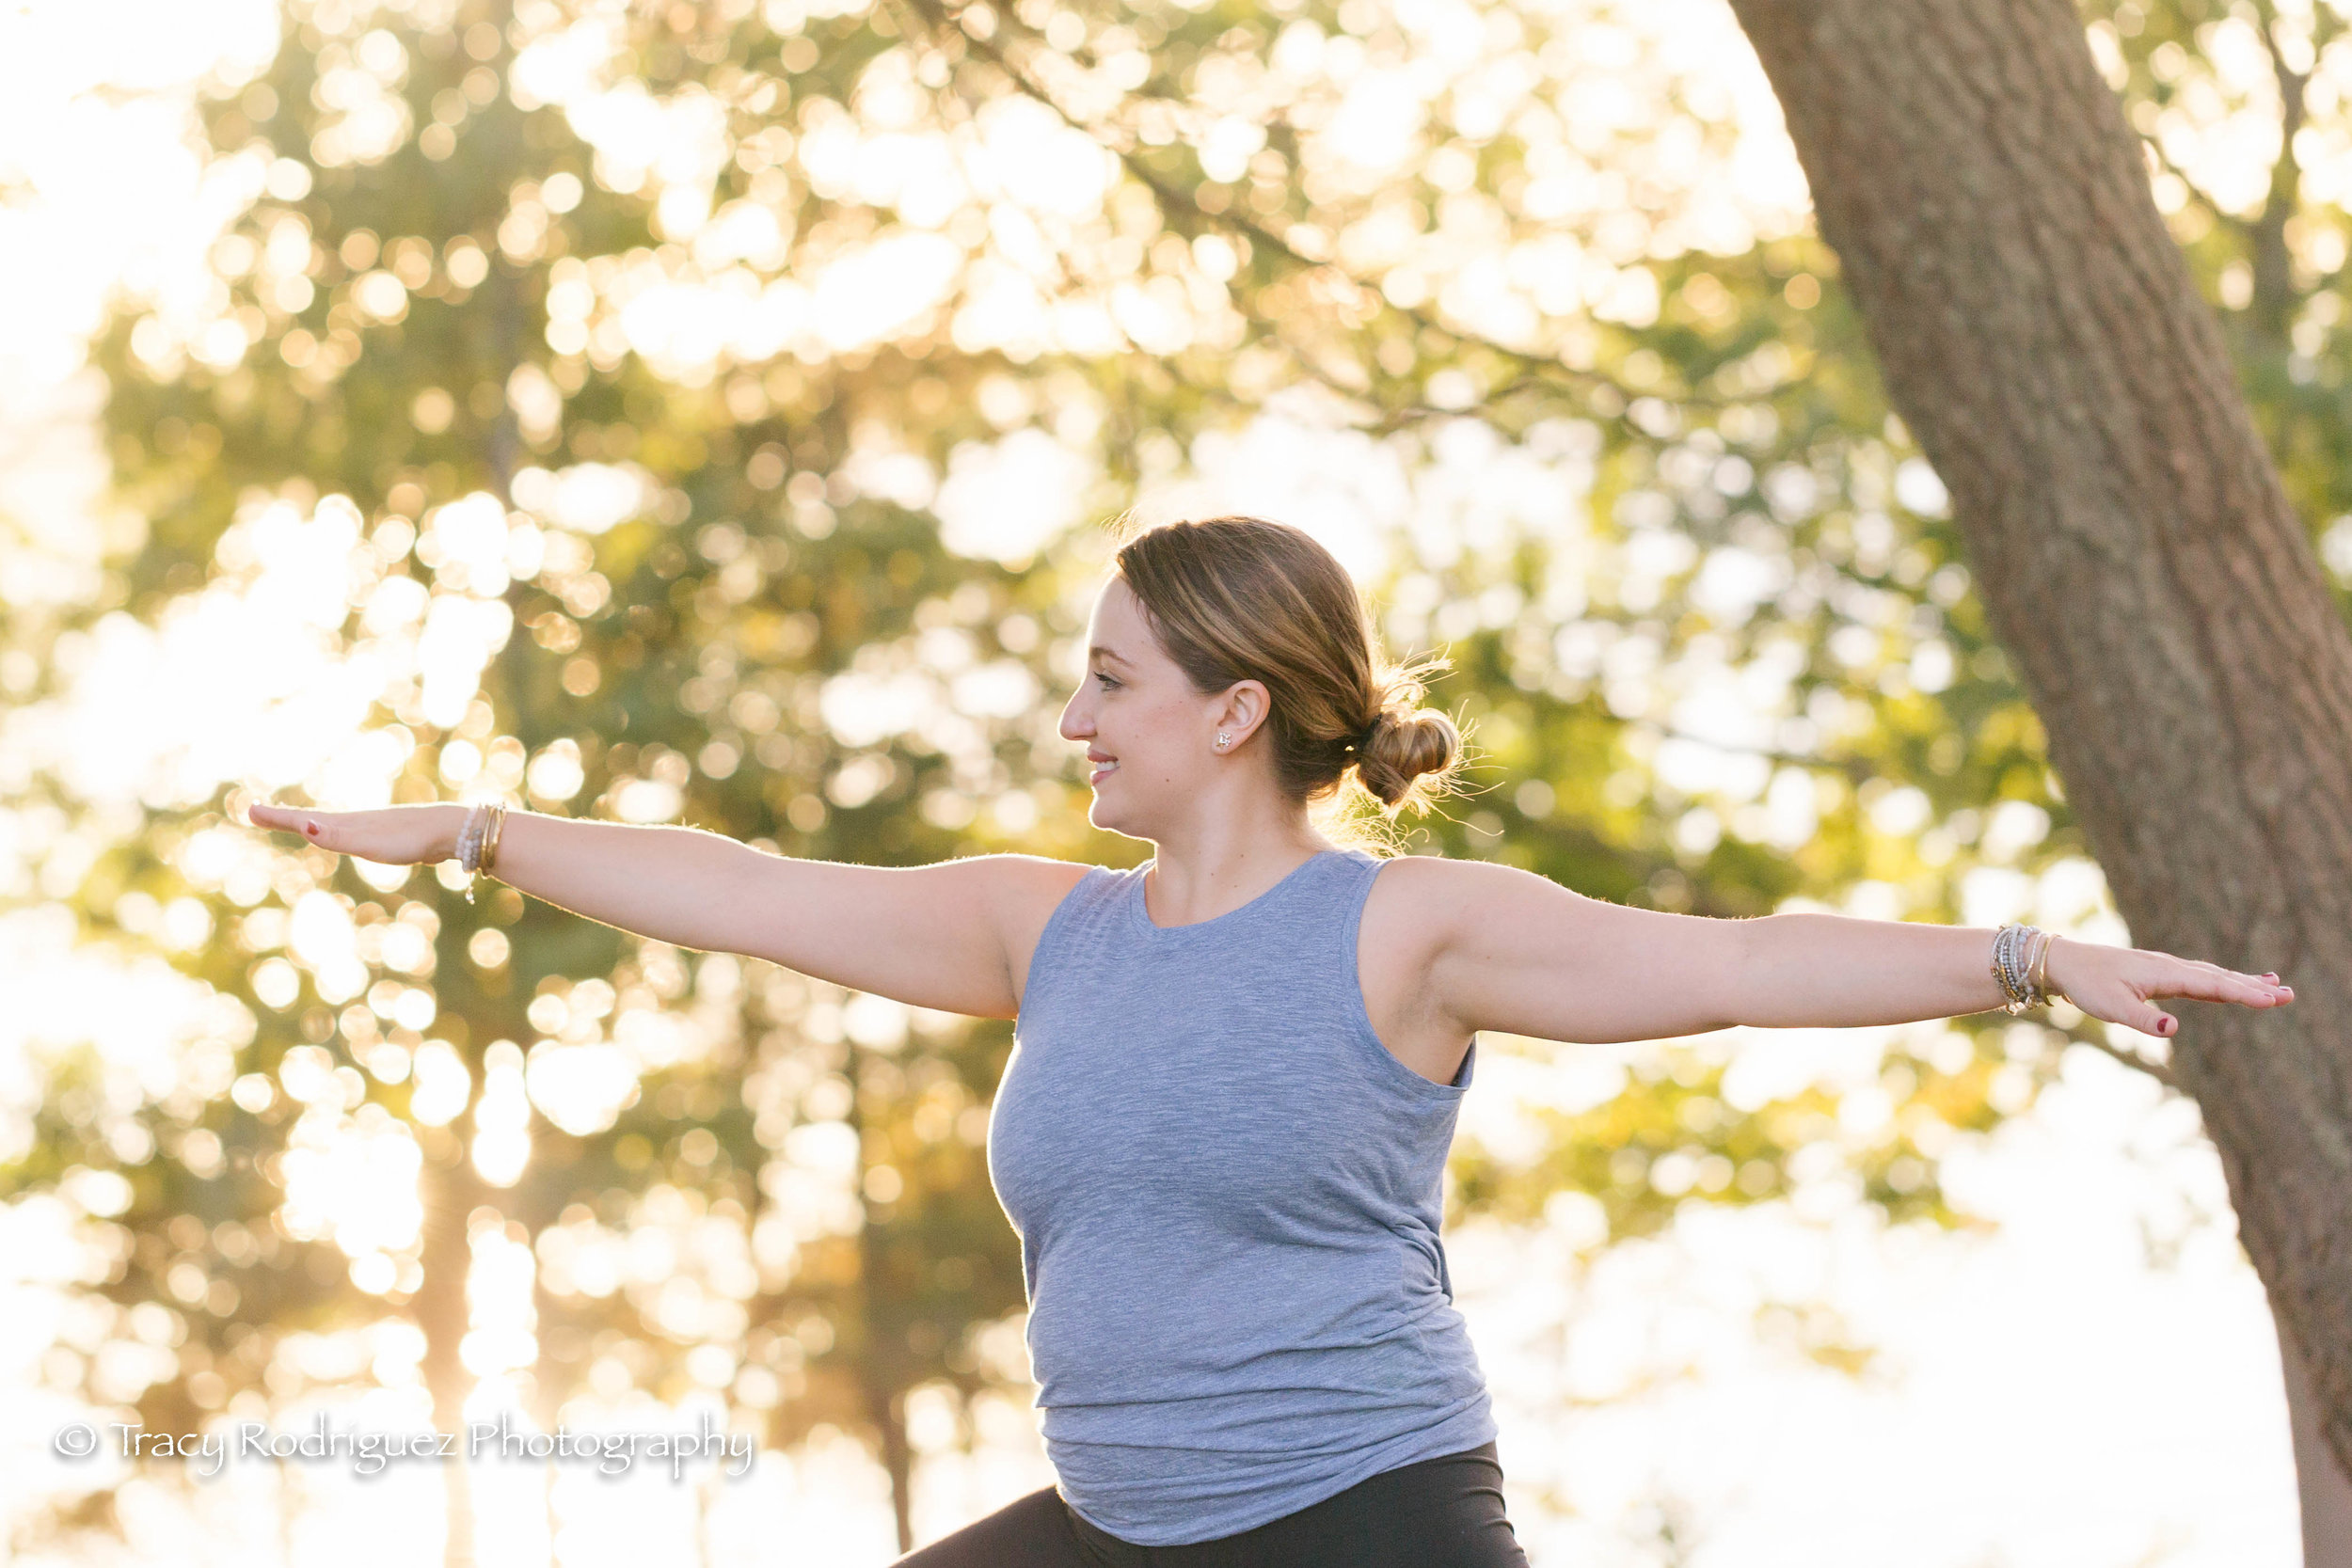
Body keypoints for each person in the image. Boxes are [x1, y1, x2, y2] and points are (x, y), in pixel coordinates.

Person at [249, 514, 2294, 1566]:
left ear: (1233, 710)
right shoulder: (1039, 929)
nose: (1071, 720)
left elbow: (1733, 959)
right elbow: (742, 885)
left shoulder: (1402, 932)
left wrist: (2020, 958)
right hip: (1119, 1523)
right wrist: (474, 836)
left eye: (1106, 679)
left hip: (1361, 1526)